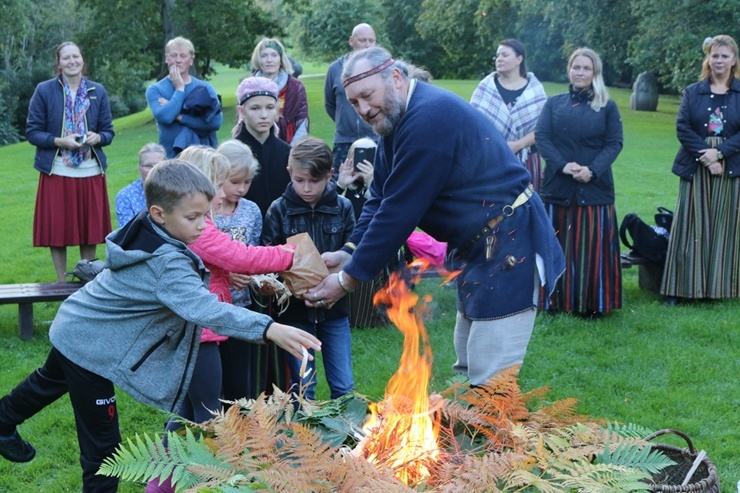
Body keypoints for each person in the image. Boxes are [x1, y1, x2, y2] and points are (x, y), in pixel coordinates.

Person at [0, 160, 321, 492]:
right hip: (87, 345)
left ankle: (2, 420)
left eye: (206, 215)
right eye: (193, 217)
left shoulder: (149, 231)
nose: (203, 225)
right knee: (104, 449)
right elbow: (204, 308)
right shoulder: (166, 263)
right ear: (158, 213)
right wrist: (269, 327)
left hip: (76, 324)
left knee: (47, 383)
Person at [305, 47, 565, 387]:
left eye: (367, 96)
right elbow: (379, 199)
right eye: (354, 103)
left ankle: (492, 440)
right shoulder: (397, 124)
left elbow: (399, 212)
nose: (363, 109)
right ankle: (471, 437)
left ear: (395, 78)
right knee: (469, 362)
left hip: (510, 245)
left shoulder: (429, 118)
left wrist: (347, 280)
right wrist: (350, 252)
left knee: (492, 379)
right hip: (480, 248)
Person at [146, 146, 295, 493]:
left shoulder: (190, 222)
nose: (220, 192)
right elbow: (237, 255)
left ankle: (160, 483)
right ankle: (212, 482)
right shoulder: (199, 229)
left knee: (184, 413)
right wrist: (289, 255)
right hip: (202, 333)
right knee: (209, 413)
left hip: (189, 331)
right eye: (217, 182)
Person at [262, 137, 356, 400]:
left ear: (330, 175)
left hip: (335, 312)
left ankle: (350, 435)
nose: (306, 188)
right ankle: (307, 439)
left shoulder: (343, 207)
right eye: (299, 180)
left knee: (344, 384)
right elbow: (265, 255)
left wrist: (343, 257)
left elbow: (356, 247)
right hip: (295, 315)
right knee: (304, 386)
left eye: (314, 181)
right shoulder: (278, 210)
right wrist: (286, 282)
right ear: (290, 172)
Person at [535, 47, 624, 317]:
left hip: (594, 189)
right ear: (569, 70)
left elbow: (614, 143)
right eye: (576, 67)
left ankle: (592, 304)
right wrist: (562, 165)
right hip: (558, 186)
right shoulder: (554, 103)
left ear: (595, 72)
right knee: (556, 246)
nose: (580, 72)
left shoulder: (607, 106)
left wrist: (592, 170)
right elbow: (542, 137)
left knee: (590, 250)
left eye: (586, 68)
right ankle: (553, 301)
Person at [26, 41, 115, 283]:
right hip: (57, 170)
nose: (72, 61)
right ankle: (61, 284)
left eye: (76, 56)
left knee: (90, 230)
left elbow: (109, 132)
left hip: (90, 170)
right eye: (66, 58)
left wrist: (99, 137)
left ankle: (88, 280)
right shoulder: (44, 90)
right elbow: (32, 132)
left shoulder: (97, 90)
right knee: (58, 230)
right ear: (58, 63)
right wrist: (59, 141)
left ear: (82, 60)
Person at [661, 35, 740, 304]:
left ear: (734, 60)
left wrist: (719, 153)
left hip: (729, 167)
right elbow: (683, 127)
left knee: (722, 228)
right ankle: (679, 289)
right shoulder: (693, 91)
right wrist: (707, 156)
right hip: (695, 165)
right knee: (689, 226)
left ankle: (714, 291)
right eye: (714, 56)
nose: (719, 60)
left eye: (724, 56)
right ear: (708, 59)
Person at [213, 139, 271, 402]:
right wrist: (226, 274)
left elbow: (253, 254)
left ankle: (240, 435)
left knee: (240, 380)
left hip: (241, 308)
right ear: (218, 176)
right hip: (209, 310)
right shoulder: (205, 210)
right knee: (211, 381)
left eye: (247, 182)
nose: (242, 188)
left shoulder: (251, 211)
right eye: (235, 181)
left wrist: (252, 276)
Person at [471, 39, 547, 191]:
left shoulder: (535, 90)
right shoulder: (485, 88)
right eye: (498, 55)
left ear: (519, 59)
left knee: (527, 205)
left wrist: (517, 145)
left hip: (528, 158)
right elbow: (473, 124)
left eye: (505, 55)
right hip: (492, 158)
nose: (499, 59)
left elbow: (544, 128)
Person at [146, 36, 223, 157]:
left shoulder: (205, 88)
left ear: (191, 60)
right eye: (173, 55)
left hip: (204, 157)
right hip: (172, 158)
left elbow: (215, 122)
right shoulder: (156, 90)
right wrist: (179, 89)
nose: (178, 60)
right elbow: (165, 117)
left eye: (183, 56)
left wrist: (179, 116)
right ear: (166, 58)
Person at [232, 76, 292, 216]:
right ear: (242, 111)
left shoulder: (288, 153)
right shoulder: (230, 154)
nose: (264, 115)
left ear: (277, 110)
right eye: (255, 108)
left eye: (269, 107)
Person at [324, 23, 378, 166]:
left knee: (377, 183)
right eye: (362, 40)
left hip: (376, 138)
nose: (367, 45)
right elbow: (330, 104)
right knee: (342, 182)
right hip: (344, 140)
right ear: (351, 41)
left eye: (371, 40)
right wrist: (345, 121)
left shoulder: (381, 69)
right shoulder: (335, 69)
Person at [250, 38, 308, 145]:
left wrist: (292, 152)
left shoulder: (296, 87)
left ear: (281, 59)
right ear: (258, 60)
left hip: (289, 146)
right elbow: (241, 120)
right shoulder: (249, 87)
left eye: (274, 55)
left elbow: (302, 122)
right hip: (255, 146)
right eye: (264, 56)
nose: (269, 60)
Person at [115, 142, 166, 226]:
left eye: (158, 165)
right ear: (139, 168)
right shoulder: (125, 196)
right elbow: (127, 232)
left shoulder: (177, 192)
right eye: (148, 166)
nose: (153, 170)